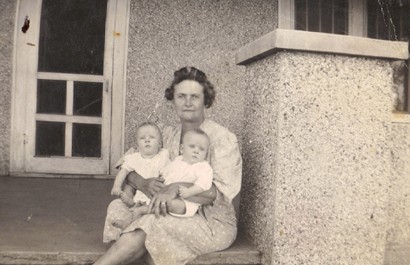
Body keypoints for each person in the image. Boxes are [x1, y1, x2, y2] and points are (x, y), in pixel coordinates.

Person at [94, 66, 242, 265]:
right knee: (118, 207)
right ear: (173, 100)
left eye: (194, 97)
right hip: (165, 207)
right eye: (181, 96)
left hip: (210, 222)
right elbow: (125, 162)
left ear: (206, 101)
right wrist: (142, 182)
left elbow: (221, 193)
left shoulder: (222, 138)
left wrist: (175, 189)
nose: (187, 103)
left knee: (152, 223)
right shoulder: (166, 134)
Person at [103, 122, 170, 243]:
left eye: (152, 138)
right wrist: (116, 186)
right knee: (126, 199)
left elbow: (171, 171)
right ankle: (128, 204)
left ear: (159, 143)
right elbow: (123, 172)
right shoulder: (134, 158)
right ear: (137, 144)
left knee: (146, 209)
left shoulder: (163, 156)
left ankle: (126, 223)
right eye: (142, 138)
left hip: (155, 194)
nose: (147, 140)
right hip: (139, 194)